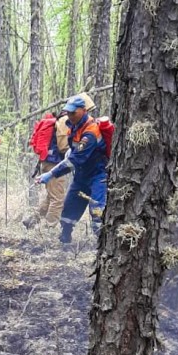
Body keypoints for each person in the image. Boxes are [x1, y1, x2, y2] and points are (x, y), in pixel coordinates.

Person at [36, 95, 108, 245]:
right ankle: (65, 242)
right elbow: (72, 151)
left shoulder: (91, 132)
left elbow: (75, 160)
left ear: (83, 110)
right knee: (68, 213)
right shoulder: (73, 127)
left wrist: (51, 174)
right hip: (81, 177)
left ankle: (102, 249)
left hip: (98, 176)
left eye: (73, 113)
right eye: (68, 112)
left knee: (97, 214)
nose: (70, 115)